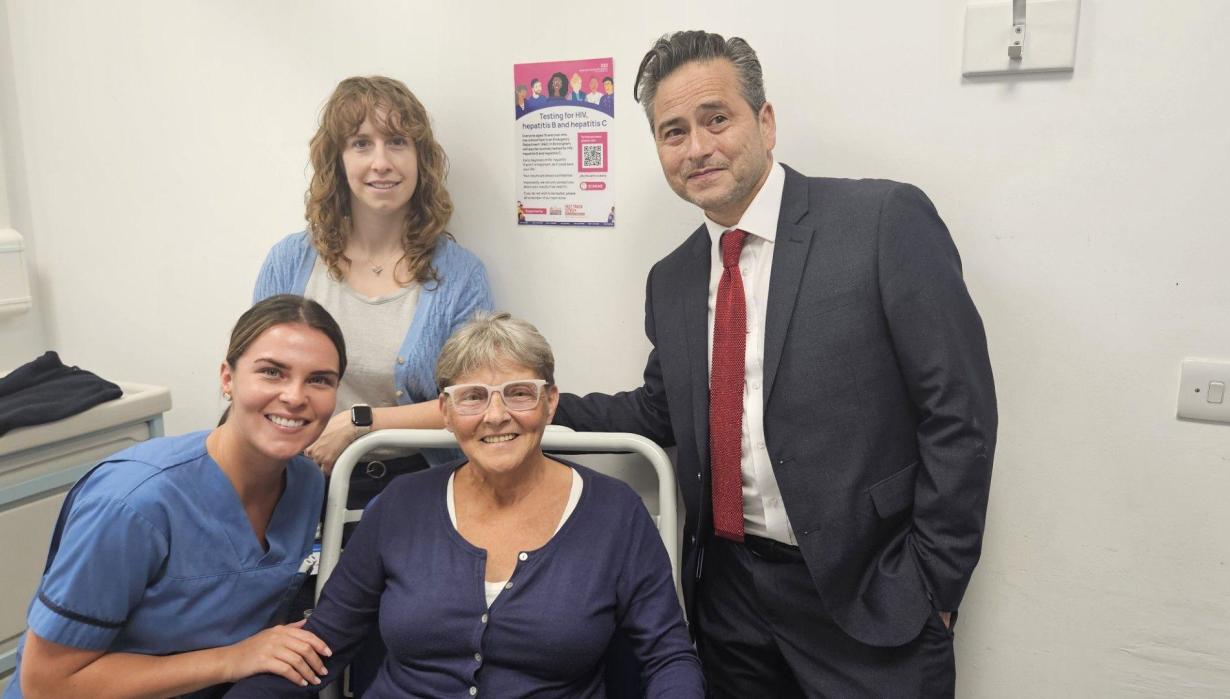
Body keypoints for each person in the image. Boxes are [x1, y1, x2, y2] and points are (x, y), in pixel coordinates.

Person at [551, 31, 998, 698]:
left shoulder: (880, 222)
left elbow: (959, 412)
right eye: (673, 132)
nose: (696, 147)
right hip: (730, 600)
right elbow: (661, 409)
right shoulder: (671, 279)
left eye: (715, 119)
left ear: (765, 121)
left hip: (871, 595)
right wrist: (530, 402)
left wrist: (931, 580)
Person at [224, 312, 705, 698]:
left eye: (519, 393)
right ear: (448, 412)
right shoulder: (400, 505)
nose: (497, 416)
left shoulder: (614, 514)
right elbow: (324, 643)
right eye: (472, 397)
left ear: (550, 402)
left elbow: (667, 655)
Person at [5, 295, 346, 699]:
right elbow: (47, 684)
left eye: (319, 379)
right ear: (227, 379)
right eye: (272, 372)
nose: (294, 396)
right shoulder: (133, 502)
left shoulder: (306, 483)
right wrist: (233, 658)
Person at [254, 76, 492, 503]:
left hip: (419, 487)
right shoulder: (289, 262)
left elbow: (474, 401)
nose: (381, 162)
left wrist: (361, 422)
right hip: (298, 481)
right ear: (337, 160)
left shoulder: (461, 276)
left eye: (397, 141)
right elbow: (256, 379)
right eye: (361, 143)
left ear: (421, 158)